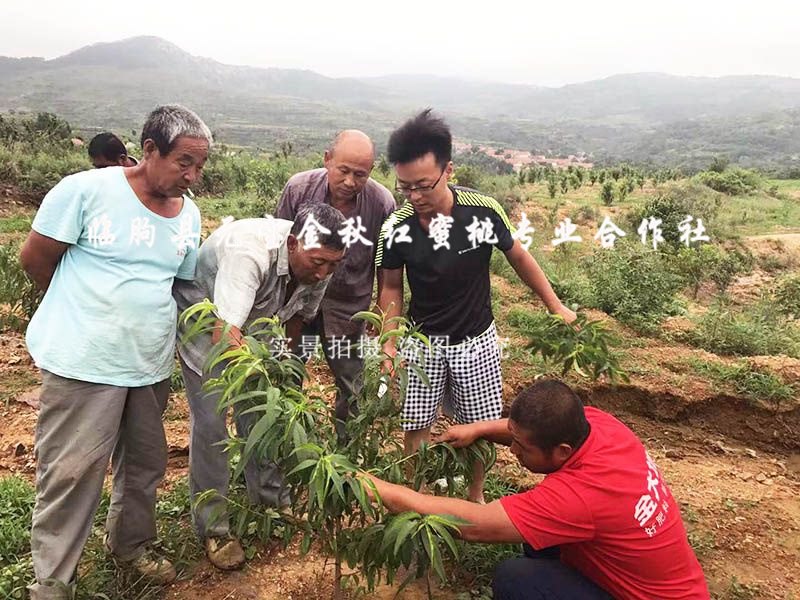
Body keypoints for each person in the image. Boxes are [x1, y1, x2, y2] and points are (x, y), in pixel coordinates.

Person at [20, 104, 210, 599]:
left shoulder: (187, 214)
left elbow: (180, 282)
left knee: (144, 464)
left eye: (200, 165)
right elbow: (36, 259)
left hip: (147, 364)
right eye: (184, 162)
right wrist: (83, 315)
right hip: (83, 361)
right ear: (149, 150)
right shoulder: (85, 191)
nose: (193, 176)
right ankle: (54, 580)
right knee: (71, 470)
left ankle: (131, 545)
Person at [375, 109, 576, 502]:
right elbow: (391, 287)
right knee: (416, 424)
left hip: (477, 340)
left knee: (480, 424)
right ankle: (417, 494)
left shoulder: (482, 212)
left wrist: (555, 305)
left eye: (423, 186)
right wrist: (389, 339)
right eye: (405, 188)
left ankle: (475, 495)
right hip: (422, 342)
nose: (415, 197)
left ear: (449, 170)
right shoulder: (395, 228)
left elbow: (518, 256)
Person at [365, 379, 710, 600]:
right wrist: (479, 429)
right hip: (673, 586)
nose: (513, 452)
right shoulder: (599, 427)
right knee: (534, 533)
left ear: (561, 451)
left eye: (521, 447)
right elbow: (530, 430)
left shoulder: (580, 496)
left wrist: (379, 488)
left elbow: (474, 526)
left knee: (518, 579)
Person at [173, 204, 346, 570]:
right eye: (318, 262)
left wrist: (281, 369)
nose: (324, 272)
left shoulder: (321, 262)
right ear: (295, 243)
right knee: (213, 424)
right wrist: (260, 380)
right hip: (209, 326)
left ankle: (270, 499)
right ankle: (214, 527)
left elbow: (297, 318)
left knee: (266, 418)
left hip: (258, 326)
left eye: (333, 264)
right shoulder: (249, 252)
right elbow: (225, 332)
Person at [276, 130, 395, 442]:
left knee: (352, 384)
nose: (350, 181)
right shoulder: (298, 188)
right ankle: (286, 442)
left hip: (348, 309)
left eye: (361, 174)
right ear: (327, 160)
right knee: (286, 372)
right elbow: (278, 243)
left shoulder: (381, 203)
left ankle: (347, 450)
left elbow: (386, 262)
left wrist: (382, 307)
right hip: (297, 302)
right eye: (343, 171)